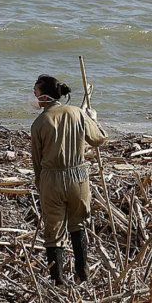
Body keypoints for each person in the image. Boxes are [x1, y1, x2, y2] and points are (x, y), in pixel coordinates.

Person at [30, 74, 108, 285]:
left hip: (51, 179)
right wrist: (93, 119)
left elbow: (37, 162)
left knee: (53, 232)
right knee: (78, 224)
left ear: (45, 97)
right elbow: (100, 139)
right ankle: (83, 274)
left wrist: (41, 185)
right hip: (78, 178)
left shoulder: (39, 122)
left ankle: (59, 281)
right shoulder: (77, 113)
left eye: (36, 93)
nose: (34, 97)